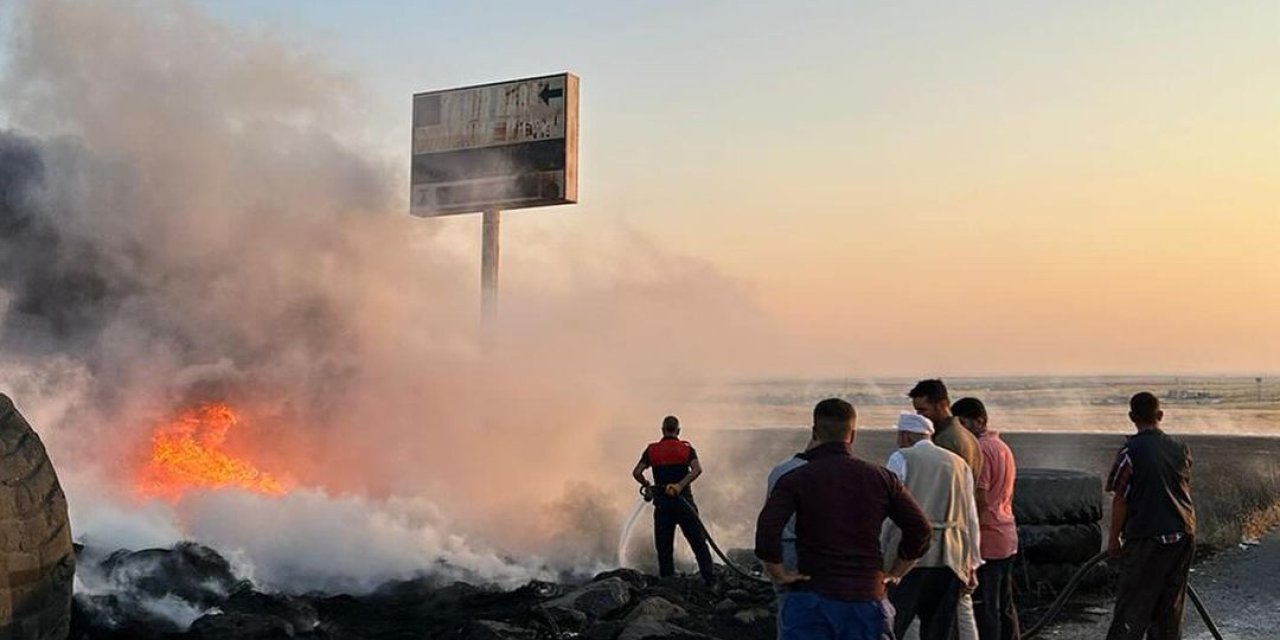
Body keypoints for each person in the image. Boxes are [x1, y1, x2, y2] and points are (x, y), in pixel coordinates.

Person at [756, 399, 932, 640]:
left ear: (815, 431)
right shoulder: (882, 478)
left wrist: (779, 574)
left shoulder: (795, 478)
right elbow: (921, 529)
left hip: (811, 597)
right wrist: (896, 572)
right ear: (853, 434)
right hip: (866, 597)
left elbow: (767, 532)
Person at [882, 412, 982, 640]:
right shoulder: (959, 464)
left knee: (895, 624)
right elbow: (970, 517)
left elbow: (888, 511)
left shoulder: (901, 458)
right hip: (951, 557)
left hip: (908, 556)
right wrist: (972, 563)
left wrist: (880, 552)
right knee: (940, 629)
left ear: (905, 435)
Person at [1104, 392, 1196, 640]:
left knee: (1132, 608)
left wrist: (1113, 540)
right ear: (1160, 415)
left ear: (1132, 417)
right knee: (1169, 609)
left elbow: (1120, 500)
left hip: (1147, 538)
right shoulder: (1180, 449)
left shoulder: (1130, 452)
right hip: (1182, 535)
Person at [908, 379, 982, 640]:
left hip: (943, 541)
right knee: (961, 608)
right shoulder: (967, 437)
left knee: (932, 611)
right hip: (958, 536)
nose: (920, 418)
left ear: (942, 405)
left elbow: (941, 492)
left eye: (923, 411)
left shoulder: (948, 442)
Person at [953, 397, 1020, 640]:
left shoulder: (980, 449)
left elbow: (980, 497)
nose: (959, 431)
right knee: (1005, 605)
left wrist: (969, 538)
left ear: (979, 421)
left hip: (988, 538)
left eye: (962, 424)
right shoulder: (1003, 447)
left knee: (985, 607)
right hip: (1007, 534)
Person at [632, 415, 715, 584]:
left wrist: (647, 485)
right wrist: (680, 485)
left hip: (663, 507)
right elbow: (697, 469)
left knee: (664, 547)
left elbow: (637, 472)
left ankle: (667, 582)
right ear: (678, 431)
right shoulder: (686, 449)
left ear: (662, 430)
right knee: (698, 543)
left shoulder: (651, 450)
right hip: (685, 505)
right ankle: (710, 580)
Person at [764, 434, 818, 639]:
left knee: (788, 610)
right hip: (819, 551)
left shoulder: (780, 470)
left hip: (786, 551)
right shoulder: (836, 472)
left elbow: (768, 521)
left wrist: (774, 569)